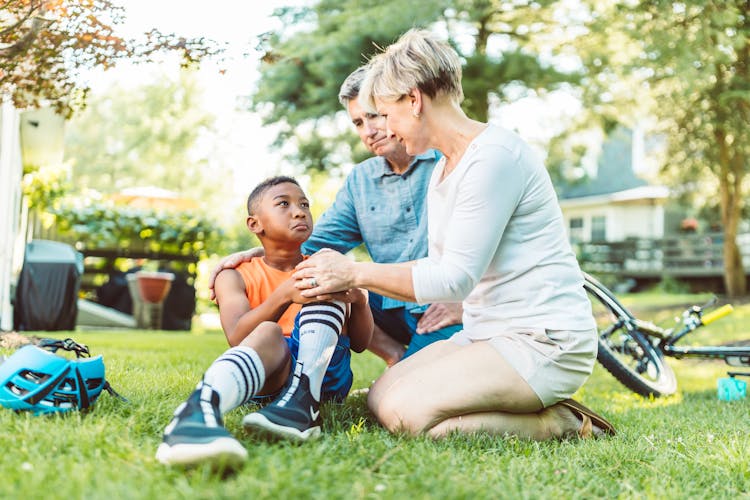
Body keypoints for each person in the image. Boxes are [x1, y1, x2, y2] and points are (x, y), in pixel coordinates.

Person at [292, 30, 616, 440]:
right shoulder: (447, 166)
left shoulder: (493, 159)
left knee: (408, 417)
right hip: (487, 333)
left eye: (385, 113)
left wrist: (354, 274)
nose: (384, 128)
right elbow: (435, 264)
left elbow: (453, 279)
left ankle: (561, 423)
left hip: (543, 340)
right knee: (380, 396)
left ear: (414, 100)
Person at [209, 66, 462, 367]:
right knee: (329, 279)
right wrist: (258, 250)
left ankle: (408, 366)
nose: (369, 131)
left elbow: (492, 246)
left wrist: (468, 303)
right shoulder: (361, 179)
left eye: (375, 116)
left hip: (443, 303)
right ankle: (393, 356)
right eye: (358, 122)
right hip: (388, 303)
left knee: (411, 388)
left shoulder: (448, 163)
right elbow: (313, 243)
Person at [156, 176, 373, 467]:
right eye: (284, 204)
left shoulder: (324, 264)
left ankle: (304, 402)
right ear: (254, 224)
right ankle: (198, 411)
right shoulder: (233, 274)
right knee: (268, 331)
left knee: (323, 281)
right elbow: (236, 336)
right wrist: (283, 295)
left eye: (304, 204)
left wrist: (359, 300)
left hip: (325, 376)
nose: (299, 211)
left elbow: (360, 344)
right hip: (270, 369)